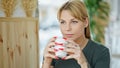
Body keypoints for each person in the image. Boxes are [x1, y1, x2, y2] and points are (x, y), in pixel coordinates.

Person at [42, 0, 110, 68]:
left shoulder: (101, 52)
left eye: (74, 22)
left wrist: (83, 63)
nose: (67, 28)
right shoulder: (54, 51)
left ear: (85, 22)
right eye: (63, 22)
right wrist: (46, 63)